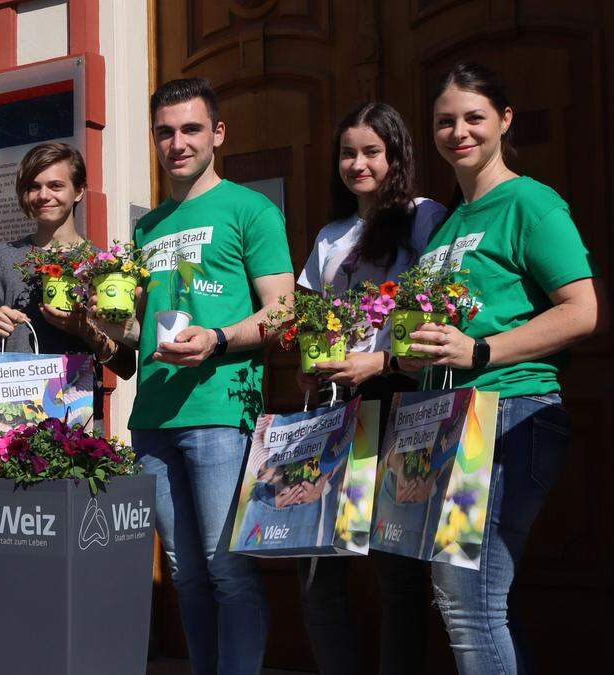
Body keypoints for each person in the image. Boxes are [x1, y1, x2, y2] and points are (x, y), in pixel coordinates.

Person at [397, 62, 606, 673]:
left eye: (472, 117)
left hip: (509, 412)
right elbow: (444, 334)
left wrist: (479, 351)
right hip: (448, 420)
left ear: (504, 121)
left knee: (468, 603)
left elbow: (583, 309)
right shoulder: (445, 228)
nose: (457, 131)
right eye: (444, 121)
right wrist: (415, 354)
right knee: (485, 605)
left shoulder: (529, 203)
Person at [100, 77, 295, 673]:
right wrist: (97, 325)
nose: (177, 142)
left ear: (218, 133)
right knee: (185, 573)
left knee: (227, 568)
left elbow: (284, 313)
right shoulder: (147, 227)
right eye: (165, 131)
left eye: (190, 129)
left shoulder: (250, 209)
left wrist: (217, 338)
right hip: (154, 415)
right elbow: (141, 335)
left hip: (221, 413)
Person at [293, 102, 448, 675]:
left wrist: (379, 361)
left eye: (371, 152)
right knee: (316, 573)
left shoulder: (423, 217)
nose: (357, 164)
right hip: (334, 409)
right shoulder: (331, 234)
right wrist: (309, 363)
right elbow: (310, 313)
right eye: (348, 153)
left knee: (397, 573)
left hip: (403, 402)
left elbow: (443, 303)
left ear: (396, 155)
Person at [0, 142, 135, 386]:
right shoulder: (1, 257)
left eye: (55, 185)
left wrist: (87, 331)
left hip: (77, 412)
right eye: (35, 187)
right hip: (14, 407)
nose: (44, 195)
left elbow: (127, 366)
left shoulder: (104, 266)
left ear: (78, 191)